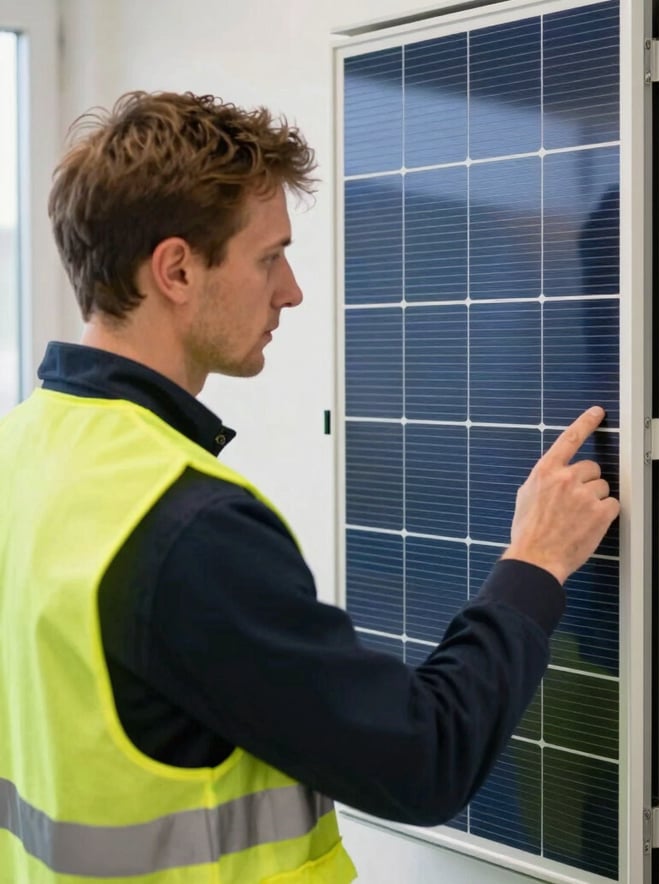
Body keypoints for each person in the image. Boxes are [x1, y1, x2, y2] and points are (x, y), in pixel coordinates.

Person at [0, 91, 620, 883]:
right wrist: (534, 563)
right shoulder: (182, 524)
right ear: (178, 269)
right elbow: (423, 759)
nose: (291, 290)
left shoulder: (19, 455)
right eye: (269, 256)